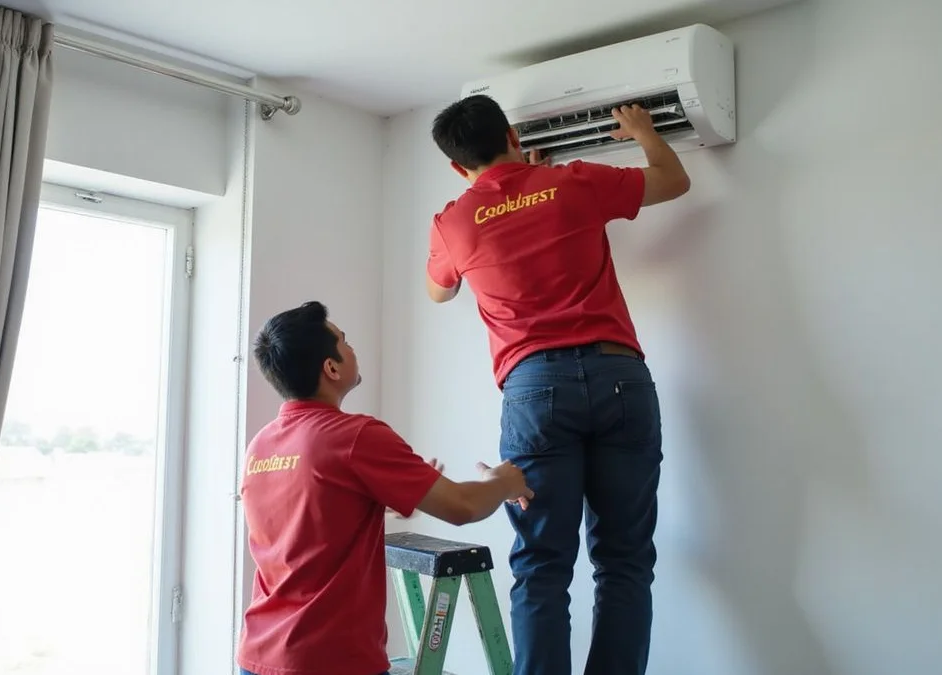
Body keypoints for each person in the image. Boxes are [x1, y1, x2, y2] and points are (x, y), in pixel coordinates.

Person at [424, 95, 692, 675]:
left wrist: (493, 208)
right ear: (512, 135)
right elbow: (674, 180)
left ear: (456, 166)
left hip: (534, 391)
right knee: (624, 561)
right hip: (620, 378)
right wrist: (643, 131)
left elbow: (439, 291)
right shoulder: (571, 183)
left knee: (542, 567)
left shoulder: (452, 222)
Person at [237, 300, 534, 675]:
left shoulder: (261, 446)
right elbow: (463, 506)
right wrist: (502, 482)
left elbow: (307, 517)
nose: (352, 348)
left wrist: (394, 495)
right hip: (330, 662)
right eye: (344, 341)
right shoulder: (355, 436)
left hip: (258, 656)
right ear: (331, 368)